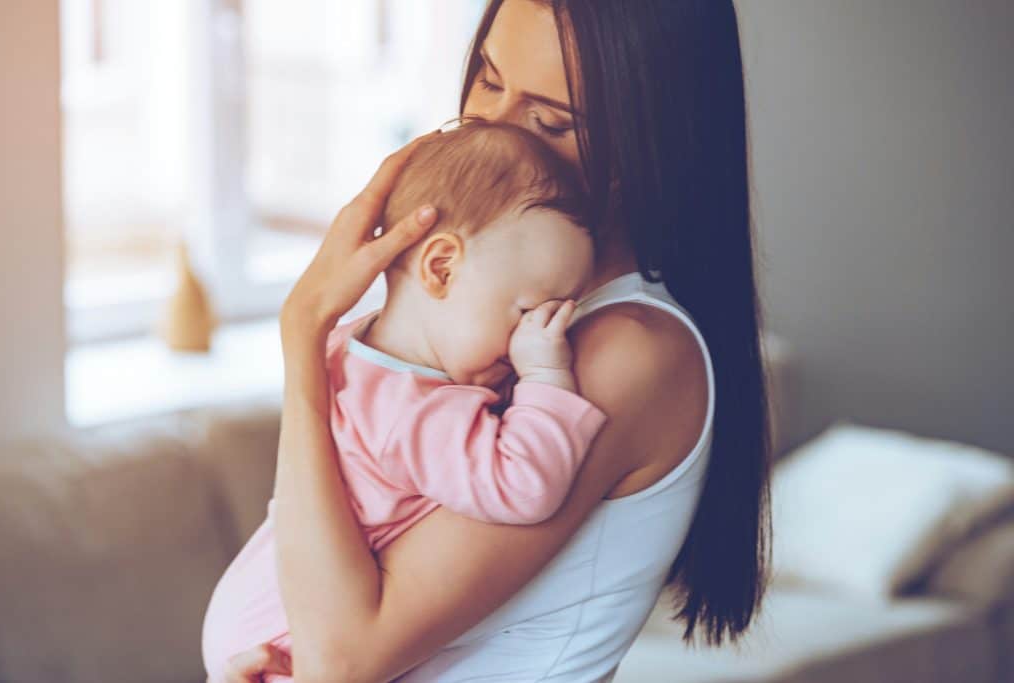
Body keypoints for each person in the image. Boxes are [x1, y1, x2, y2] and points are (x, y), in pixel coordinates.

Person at [218, 0, 771, 681]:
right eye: (487, 76)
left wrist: (305, 338)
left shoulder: (624, 350)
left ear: (651, 139)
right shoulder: (487, 310)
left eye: (550, 120)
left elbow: (341, 659)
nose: (491, 129)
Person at [200, 121, 611, 682]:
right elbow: (524, 484)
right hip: (283, 637)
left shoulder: (352, 345)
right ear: (440, 267)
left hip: (259, 615)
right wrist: (546, 372)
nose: (533, 339)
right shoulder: (416, 411)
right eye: (529, 313)